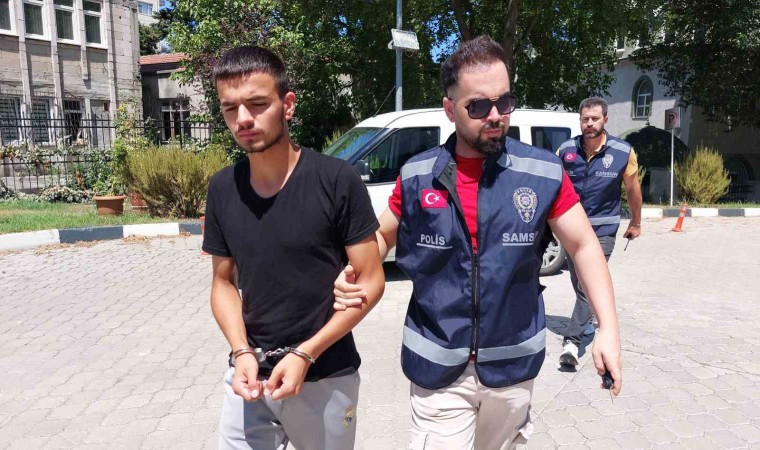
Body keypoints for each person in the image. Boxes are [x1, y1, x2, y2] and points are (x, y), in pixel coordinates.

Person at [333, 36, 623, 450]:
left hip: (512, 366)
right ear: (449, 109)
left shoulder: (542, 172)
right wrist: (358, 270)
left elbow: (583, 246)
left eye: (505, 102)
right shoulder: (418, 175)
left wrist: (608, 329)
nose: (495, 116)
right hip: (437, 364)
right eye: (478, 106)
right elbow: (381, 235)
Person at [202, 45, 385, 450]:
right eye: (230, 108)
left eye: (257, 104)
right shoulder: (223, 188)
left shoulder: (336, 180)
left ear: (287, 105)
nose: (243, 119)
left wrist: (305, 354)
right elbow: (223, 282)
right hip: (251, 376)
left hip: (326, 375)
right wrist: (240, 351)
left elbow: (372, 281)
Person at [556, 97, 642, 367]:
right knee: (577, 280)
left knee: (587, 285)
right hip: (572, 230)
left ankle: (571, 342)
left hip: (603, 230)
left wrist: (636, 222)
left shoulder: (623, 151)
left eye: (594, 118)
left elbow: (633, 190)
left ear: (605, 119)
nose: (589, 124)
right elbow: (555, 186)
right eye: (585, 119)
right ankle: (588, 319)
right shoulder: (566, 150)